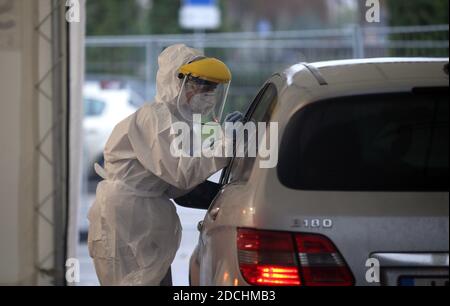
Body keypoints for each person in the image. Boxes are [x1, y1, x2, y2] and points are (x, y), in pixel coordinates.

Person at [87, 44, 243, 286]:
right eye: (202, 85)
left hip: (142, 219)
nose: (208, 93)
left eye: (212, 88)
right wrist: (227, 142)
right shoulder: (156, 118)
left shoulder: (185, 120)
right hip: (125, 220)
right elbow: (182, 173)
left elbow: (181, 181)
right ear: (177, 82)